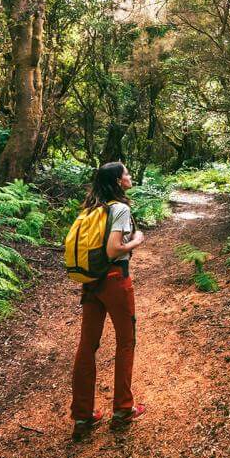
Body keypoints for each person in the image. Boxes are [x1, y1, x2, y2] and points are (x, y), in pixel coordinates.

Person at [70, 161, 146, 438]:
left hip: (91, 282)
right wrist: (136, 240)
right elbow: (114, 249)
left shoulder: (91, 210)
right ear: (117, 181)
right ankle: (123, 409)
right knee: (126, 341)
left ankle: (82, 417)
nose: (129, 176)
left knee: (87, 345)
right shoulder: (120, 209)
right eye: (126, 173)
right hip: (115, 279)